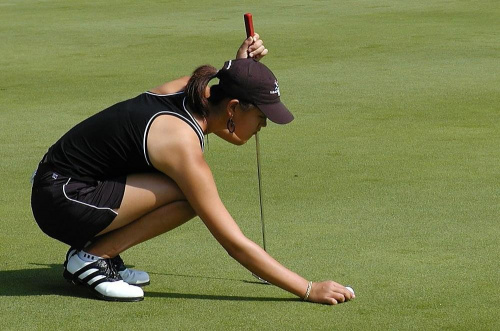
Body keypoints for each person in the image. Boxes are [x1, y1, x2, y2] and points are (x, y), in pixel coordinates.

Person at [30, 33, 355, 304]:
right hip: (62, 200)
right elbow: (233, 241)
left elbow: (228, 89)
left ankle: (99, 253)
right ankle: (91, 259)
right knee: (187, 197)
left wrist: (240, 67)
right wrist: (308, 288)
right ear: (233, 108)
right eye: (262, 116)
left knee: (180, 190)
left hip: (65, 183)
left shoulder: (195, 89)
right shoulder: (180, 144)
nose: (263, 126)